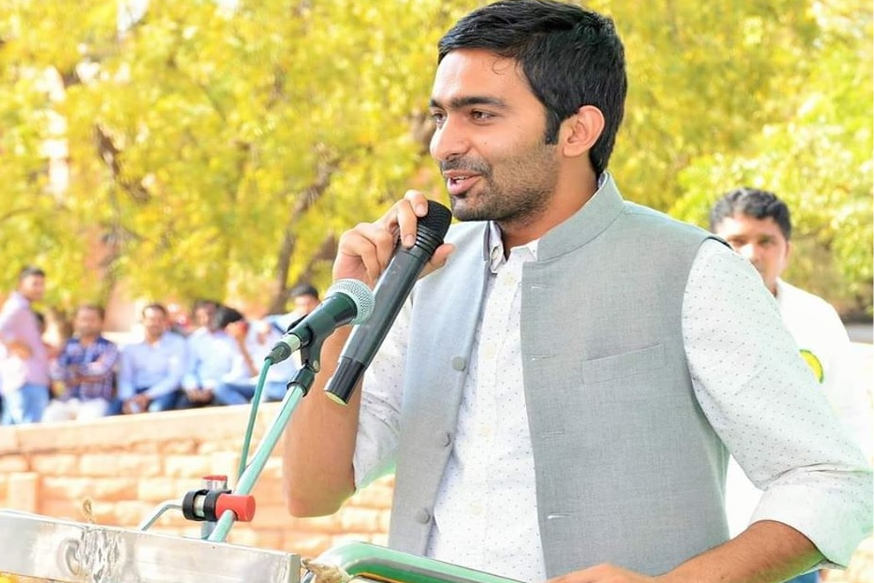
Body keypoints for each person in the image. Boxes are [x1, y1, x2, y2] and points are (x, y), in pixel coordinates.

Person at [282, 2, 872, 582]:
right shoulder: (425, 272)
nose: (444, 144)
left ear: (576, 131)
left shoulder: (693, 271)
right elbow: (312, 491)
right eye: (441, 116)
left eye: (479, 115)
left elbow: (831, 481)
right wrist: (350, 306)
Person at [710, 187, 873, 583]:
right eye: (737, 241)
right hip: (710, 537)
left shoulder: (816, 318)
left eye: (766, 241)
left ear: (787, 251)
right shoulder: (691, 316)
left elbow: (849, 419)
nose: (752, 253)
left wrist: (836, 526)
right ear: (713, 246)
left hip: (791, 534)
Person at [44, 304, 119, 422]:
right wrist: (85, 373)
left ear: (101, 322)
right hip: (67, 400)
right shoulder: (68, 345)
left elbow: (101, 371)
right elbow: (56, 373)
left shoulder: (109, 347)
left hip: (95, 401)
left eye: (92, 320)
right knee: (49, 417)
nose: (87, 324)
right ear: (75, 322)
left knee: (88, 422)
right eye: (83, 319)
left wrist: (72, 372)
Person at [0, 266, 51, 424]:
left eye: (42, 284)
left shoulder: (23, 307)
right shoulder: (17, 306)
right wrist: (16, 347)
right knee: (29, 431)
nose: (39, 289)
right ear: (21, 284)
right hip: (26, 379)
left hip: (26, 379)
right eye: (34, 284)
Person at [116, 303, 187, 414]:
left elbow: (174, 378)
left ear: (166, 322)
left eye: (160, 320)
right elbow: (125, 378)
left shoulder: (177, 343)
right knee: (111, 411)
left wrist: (147, 396)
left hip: (163, 392)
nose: (156, 323)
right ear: (143, 321)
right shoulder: (129, 347)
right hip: (135, 391)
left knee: (155, 410)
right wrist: (128, 399)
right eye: (152, 319)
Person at [178, 302, 236, 408]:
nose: (207, 319)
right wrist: (192, 388)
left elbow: (238, 370)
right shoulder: (194, 340)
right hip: (201, 388)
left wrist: (213, 387)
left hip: (226, 387)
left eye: (210, 314)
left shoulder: (232, 337)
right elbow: (189, 370)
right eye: (201, 317)